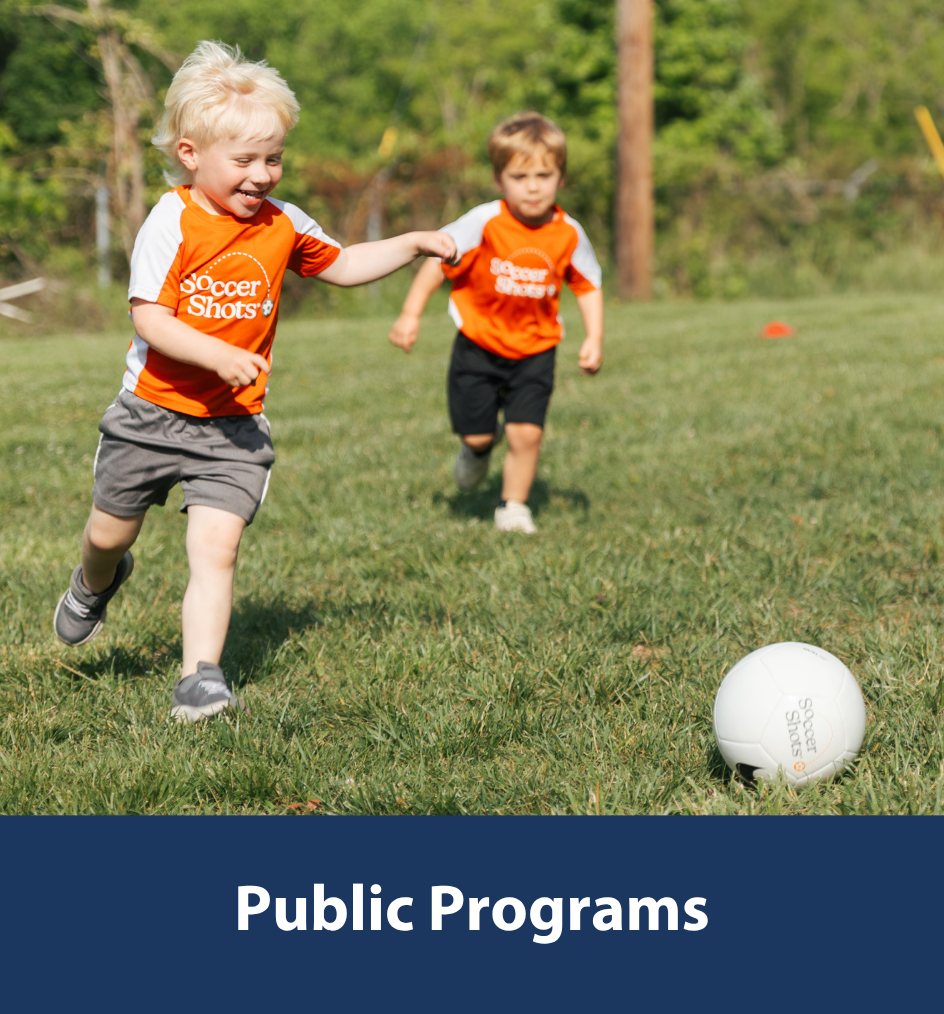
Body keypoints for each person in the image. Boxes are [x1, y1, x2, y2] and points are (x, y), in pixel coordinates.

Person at [53, 41, 457, 721]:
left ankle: (200, 677)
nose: (262, 174)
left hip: (233, 428)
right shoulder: (172, 220)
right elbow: (151, 317)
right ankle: (94, 585)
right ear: (190, 155)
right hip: (150, 414)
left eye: (273, 158)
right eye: (243, 161)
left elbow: (346, 262)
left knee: (217, 546)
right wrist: (214, 354)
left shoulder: (283, 224)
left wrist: (412, 242)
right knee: (107, 536)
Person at [388, 111, 603, 534]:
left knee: (526, 435)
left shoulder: (569, 234)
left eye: (544, 174)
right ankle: (477, 450)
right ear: (499, 178)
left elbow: (588, 284)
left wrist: (594, 336)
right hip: (479, 345)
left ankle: (514, 506)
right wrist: (411, 313)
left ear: (561, 177)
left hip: (536, 350)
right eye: (520, 176)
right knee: (479, 436)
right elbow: (437, 262)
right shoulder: (483, 222)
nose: (533, 186)